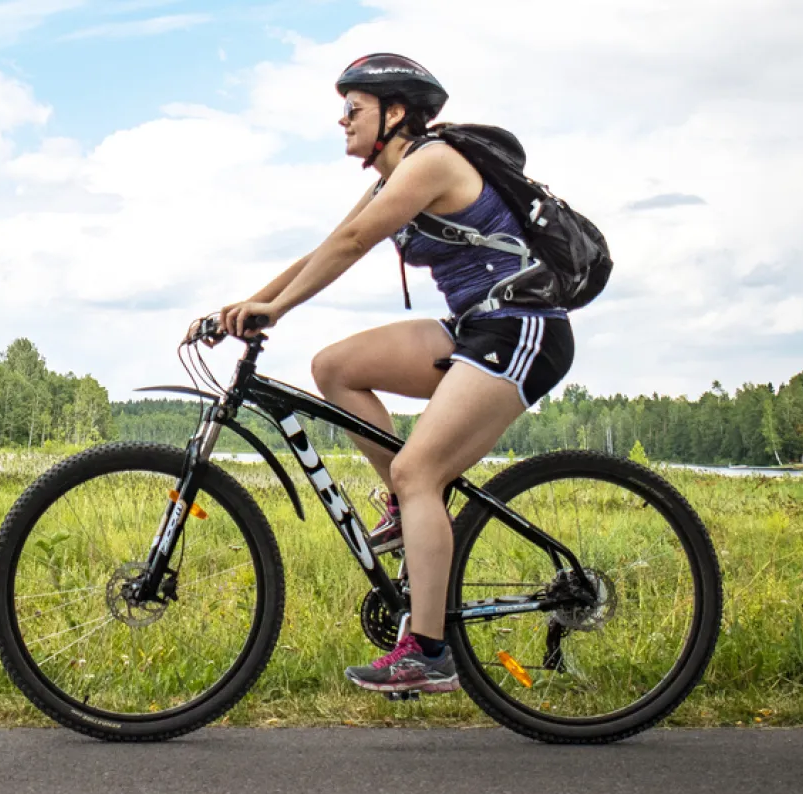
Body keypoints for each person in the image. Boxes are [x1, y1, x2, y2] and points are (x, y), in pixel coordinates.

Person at [211, 53, 575, 694]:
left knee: (418, 472)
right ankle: (410, 510)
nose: (342, 120)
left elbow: (353, 247)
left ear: (395, 112)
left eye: (353, 108)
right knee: (336, 367)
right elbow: (331, 242)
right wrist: (243, 307)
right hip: (474, 326)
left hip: (522, 327)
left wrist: (274, 308)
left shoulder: (431, 161)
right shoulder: (390, 178)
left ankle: (429, 652)